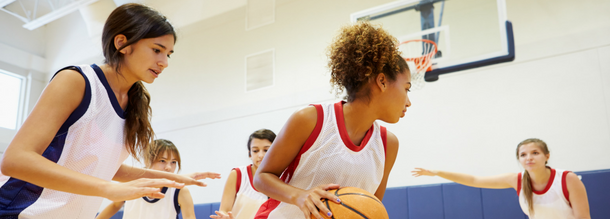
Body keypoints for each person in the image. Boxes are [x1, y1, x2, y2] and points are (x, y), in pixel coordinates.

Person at [0, 3, 219, 218]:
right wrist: (107, 188)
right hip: (18, 211)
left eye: (168, 54)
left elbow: (105, 168)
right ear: (122, 43)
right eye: (156, 50)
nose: (164, 62)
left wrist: (173, 179)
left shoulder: (134, 102)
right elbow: (16, 160)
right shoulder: (77, 81)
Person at [253, 21, 411, 219]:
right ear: (382, 81)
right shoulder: (311, 120)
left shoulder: (389, 145)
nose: (408, 101)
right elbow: (261, 177)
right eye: (406, 89)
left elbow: (371, 208)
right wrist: (300, 196)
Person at [412, 138, 590, 219]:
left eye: (535, 153)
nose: (529, 158)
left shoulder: (568, 179)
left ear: (547, 156)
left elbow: (583, 217)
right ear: (519, 159)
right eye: (523, 154)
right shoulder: (516, 180)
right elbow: (474, 180)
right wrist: (437, 172)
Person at [96, 139, 197, 219]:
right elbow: (115, 205)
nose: (168, 167)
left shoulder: (180, 191)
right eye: (162, 161)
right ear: (147, 161)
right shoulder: (132, 183)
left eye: (173, 162)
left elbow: (190, 217)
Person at [211, 129, 275, 219]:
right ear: (250, 154)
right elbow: (224, 210)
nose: (261, 155)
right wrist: (224, 216)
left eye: (266, 150)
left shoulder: (284, 176)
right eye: (255, 151)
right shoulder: (237, 174)